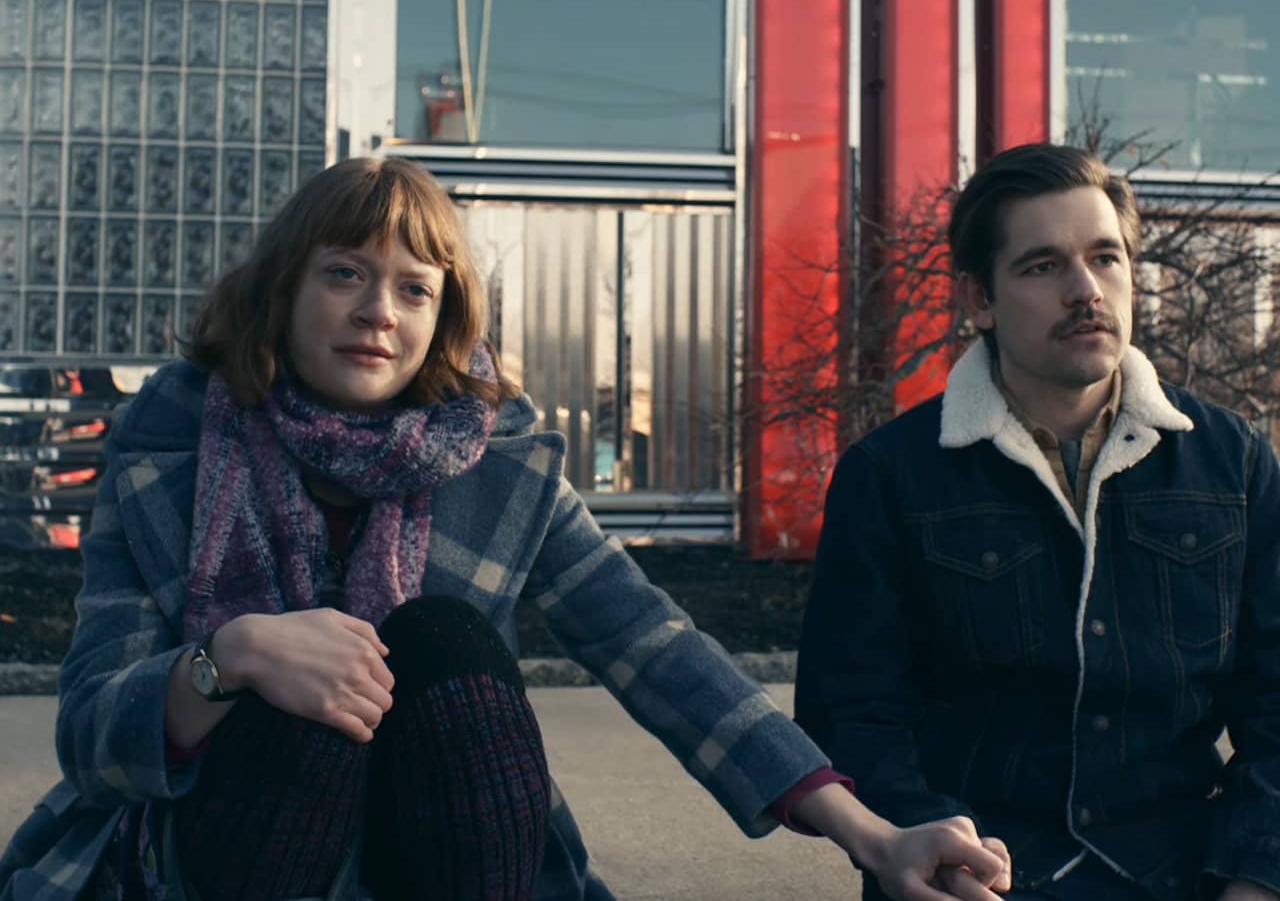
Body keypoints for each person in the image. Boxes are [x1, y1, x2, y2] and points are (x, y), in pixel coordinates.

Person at [0, 157, 1010, 901]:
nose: (376, 313)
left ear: (443, 318)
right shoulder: (170, 453)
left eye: (412, 288)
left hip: (437, 852)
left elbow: (654, 651)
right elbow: (92, 733)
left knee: (439, 637)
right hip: (215, 857)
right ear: (283, 292)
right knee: (311, 669)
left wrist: (868, 834)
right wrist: (230, 658)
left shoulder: (494, 462)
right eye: (343, 273)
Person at [795, 142, 1280, 901]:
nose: (1086, 289)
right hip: (974, 877)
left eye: (1106, 257)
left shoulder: (1234, 462)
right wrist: (930, 849)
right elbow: (853, 712)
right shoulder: (890, 474)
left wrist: (1257, 875)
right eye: (1043, 265)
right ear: (978, 301)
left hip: (1187, 877)